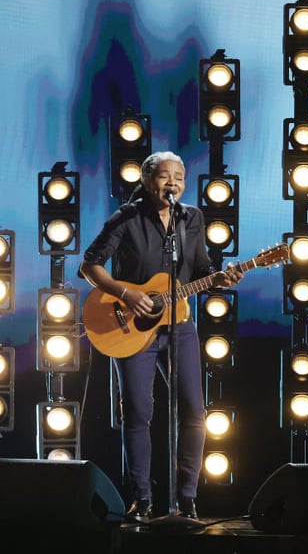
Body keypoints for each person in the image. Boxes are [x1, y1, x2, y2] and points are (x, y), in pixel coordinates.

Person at [79, 151, 243, 521]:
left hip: (180, 326)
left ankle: (186, 498)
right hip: (129, 326)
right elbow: (89, 264)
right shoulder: (127, 216)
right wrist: (127, 294)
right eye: (165, 176)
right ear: (145, 179)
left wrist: (221, 277)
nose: (173, 183)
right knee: (137, 412)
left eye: (179, 177)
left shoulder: (192, 218)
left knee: (195, 411)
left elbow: (201, 268)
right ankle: (142, 498)